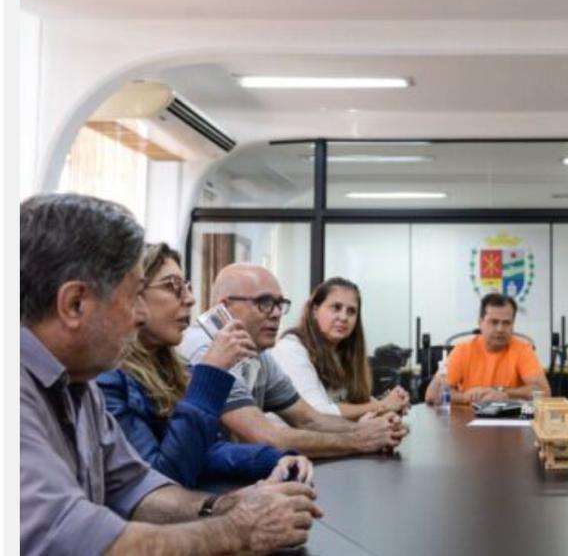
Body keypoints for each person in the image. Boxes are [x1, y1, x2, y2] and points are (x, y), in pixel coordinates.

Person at [20, 193, 321, 556]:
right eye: (132, 298)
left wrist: (229, 506)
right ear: (74, 304)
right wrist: (238, 528)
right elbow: (82, 541)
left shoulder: (79, 385)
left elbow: (139, 487)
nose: (140, 316)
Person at [98, 243, 314, 488]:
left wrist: (276, 459)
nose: (190, 300)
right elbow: (161, 481)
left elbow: (207, 451)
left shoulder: (171, 365)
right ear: (132, 295)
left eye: (187, 287)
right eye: (172, 287)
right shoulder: (107, 377)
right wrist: (210, 373)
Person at [179, 264, 408, 459]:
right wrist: (360, 437)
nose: (277, 313)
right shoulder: (206, 350)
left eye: (280, 304)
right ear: (224, 307)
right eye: (265, 302)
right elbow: (265, 437)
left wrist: (370, 429)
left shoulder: (259, 354)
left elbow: (310, 419)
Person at [271, 276, 411, 420]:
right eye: (336, 308)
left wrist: (393, 403)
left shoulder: (341, 353)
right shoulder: (291, 350)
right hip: (288, 442)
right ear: (314, 311)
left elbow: (352, 404)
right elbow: (318, 414)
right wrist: (383, 406)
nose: (343, 317)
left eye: (351, 311)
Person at [424, 293, 551, 404]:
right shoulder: (463, 350)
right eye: (494, 322)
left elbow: (544, 393)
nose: (500, 329)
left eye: (506, 323)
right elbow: (431, 395)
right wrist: (464, 398)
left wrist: (502, 393)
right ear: (480, 322)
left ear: (513, 324)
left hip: (510, 422)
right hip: (467, 423)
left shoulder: (523, 349)